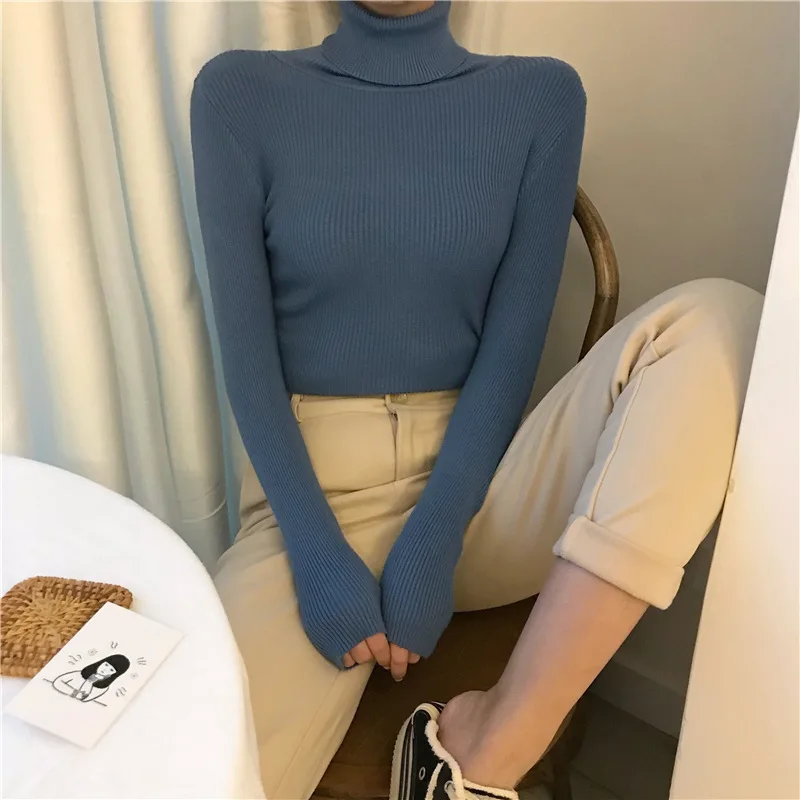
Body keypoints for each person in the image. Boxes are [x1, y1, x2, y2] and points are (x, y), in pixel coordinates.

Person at [190, 2, 762, 799]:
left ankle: (484, 751)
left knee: (722, 322)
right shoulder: (239, 92)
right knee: (190, 764)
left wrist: (434, 540)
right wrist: (318, 558)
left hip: (483, 494)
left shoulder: (540, 98)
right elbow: (248, 362)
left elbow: (513, 346)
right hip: (313, 507)